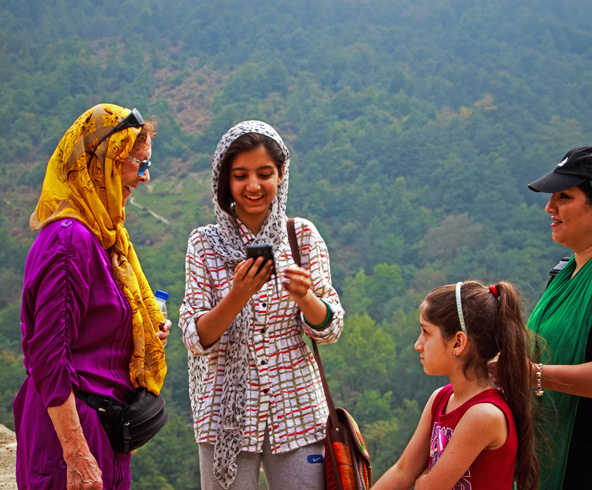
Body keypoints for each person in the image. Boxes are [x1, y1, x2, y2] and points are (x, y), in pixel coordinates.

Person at [178, 120, 344, 490]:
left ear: (281, 174)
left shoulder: (301, 236)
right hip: (226, 417)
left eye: (264, 173)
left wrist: (306, 298)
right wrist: (237, 295)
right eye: (240, 175)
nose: (253, 186)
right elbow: (194, 337)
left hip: (298, 410)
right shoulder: (204, 244)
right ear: (225, 180)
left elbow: (331, 327)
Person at [13, 104, 170, 489]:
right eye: (138, 163)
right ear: (103, 162)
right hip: (70, 438)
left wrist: (138, 332)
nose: (145, 177)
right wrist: (77, 455)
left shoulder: (103, 237)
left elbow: (93, 329)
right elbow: (49, 357)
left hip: (101, 430)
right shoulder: (71, 241)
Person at [373, 281, 539, 490]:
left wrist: (423, 478)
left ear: (458, 343)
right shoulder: (440, 399)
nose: (417, 344)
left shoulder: (484, 415)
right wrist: (421, 477)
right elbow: (403, 471)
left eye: (426, 332)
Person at [526, 145, 592, 489]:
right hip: (552, 466)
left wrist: (536, 376)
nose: (550, 207)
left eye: (564, 196)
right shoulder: (564, 273)